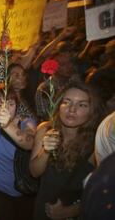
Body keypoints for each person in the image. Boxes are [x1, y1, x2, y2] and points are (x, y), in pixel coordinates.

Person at [29, 82, 104, 220]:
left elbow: (102, 193)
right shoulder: (45, 129)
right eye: (66, 102)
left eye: (81, 105)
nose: (71, 109)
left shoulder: (96, 142)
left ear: (91, 111)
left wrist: (70, 211)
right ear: (58, 105)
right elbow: (34, 172)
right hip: (41, 209)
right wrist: (46, 151)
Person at [0, 83, 36, 220]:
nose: (5, 108)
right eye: (0, 104)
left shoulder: (27, 123)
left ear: (17, 107)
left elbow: (30, 143)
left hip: (24, 191)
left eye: (10, 104)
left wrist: (7, 125)